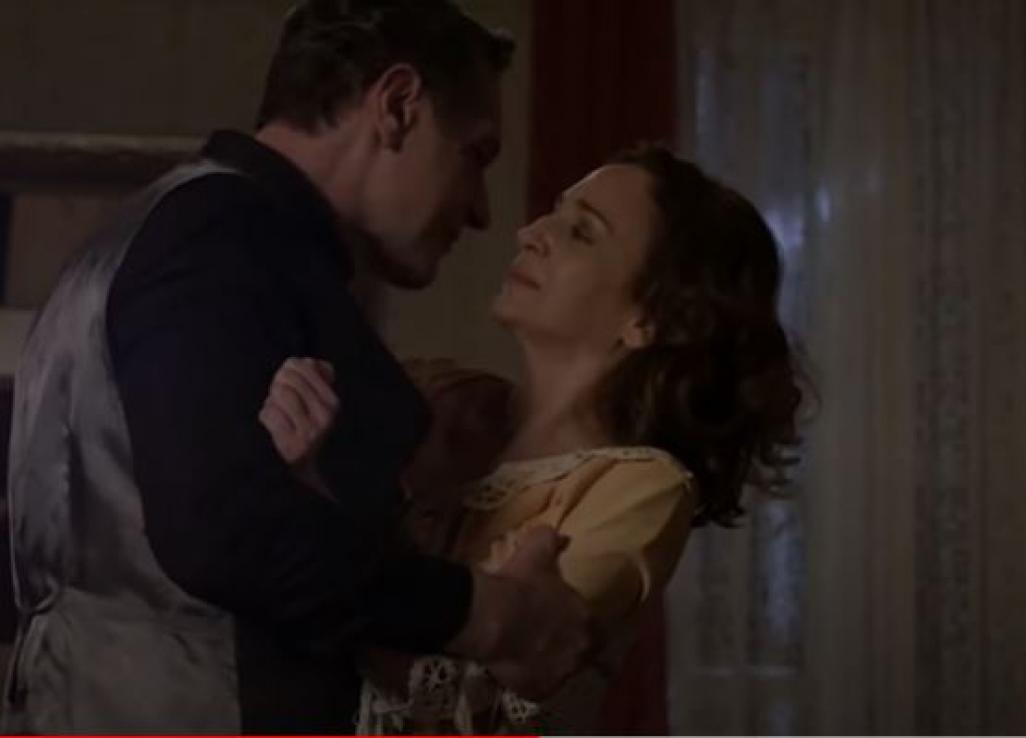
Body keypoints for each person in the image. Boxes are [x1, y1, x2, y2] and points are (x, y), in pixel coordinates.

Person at [1, 1, 589, 734]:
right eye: (476, 155)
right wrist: (488, 614)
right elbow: (224, 531)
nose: (479, 211)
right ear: (397, 106)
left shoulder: (191, 230)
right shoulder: (218, 236)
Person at [262, 146, 806, 734]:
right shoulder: (441, 398)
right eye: (554, 212)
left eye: (581, 231)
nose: (531, 232)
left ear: (650, 320)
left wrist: (314, 501)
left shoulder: (639, 485)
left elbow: (480, 671)